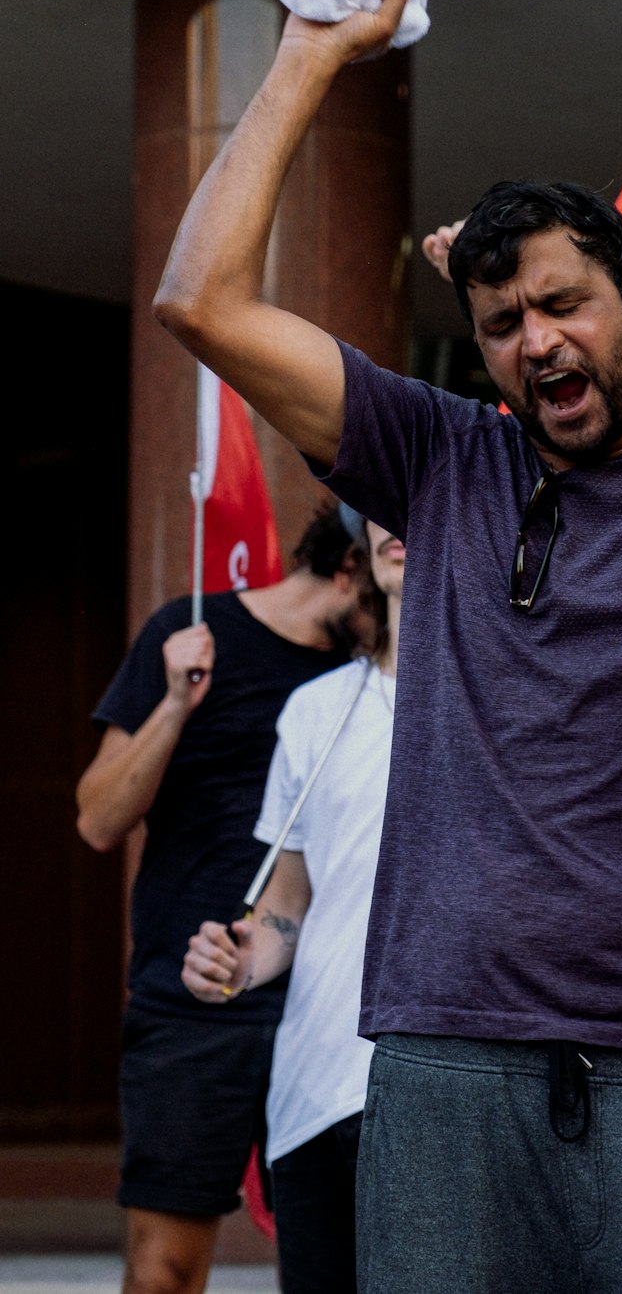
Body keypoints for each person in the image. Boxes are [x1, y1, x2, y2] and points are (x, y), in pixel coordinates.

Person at [150, 0, 622, 1294]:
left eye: (565, 306)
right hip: (446, 1058)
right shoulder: (443, 458)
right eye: (502, 325)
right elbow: (201, 304)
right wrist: (311, 51)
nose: (537, 342)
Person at [76, 505, 373, 1294]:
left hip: (323, 1007)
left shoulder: (369, 677)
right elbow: (99, 819)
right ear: (352, 562)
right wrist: (175, 701)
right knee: (165, 1272)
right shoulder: (192, 631)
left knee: (329, 1259)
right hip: (192, 994)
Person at [179, 513, 404, 1294]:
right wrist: (240, 960)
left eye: (416, 495)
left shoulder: (511, 699)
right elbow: (290, 902)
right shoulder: (315, 709)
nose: (393, 517)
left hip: (450, 1093)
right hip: (316, 1090)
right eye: (378, 503)